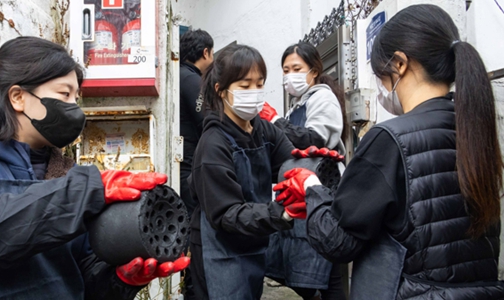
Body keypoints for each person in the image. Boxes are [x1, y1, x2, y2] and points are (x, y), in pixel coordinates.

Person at [0, 36, 189, 300]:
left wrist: (121, 280)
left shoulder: (67, 175)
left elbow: (81, 283)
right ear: (18, 96)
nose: (74, 108)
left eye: (75, 98)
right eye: (64, 94)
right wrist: (84, 192)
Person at [276, 4, 504, 299]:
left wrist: (312, 187)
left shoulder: (389, 140)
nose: (381, 89)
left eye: (380, 78)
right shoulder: (475, 129)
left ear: (399, 64)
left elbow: (337, 241)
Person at [187, 43, 312, 300]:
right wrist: (282, 213)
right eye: (244, 86)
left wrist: (310, 170)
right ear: (221, 91)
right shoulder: (212, 145)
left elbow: (289, 163)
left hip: (253, 243)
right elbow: (226, 213)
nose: (254, 93)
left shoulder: (264, 131)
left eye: (259, 84)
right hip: (218, 253)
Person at [260, 42, 347, 299]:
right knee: (309, 270)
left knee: (325, 271)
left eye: (296, 68)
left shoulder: (322, 98)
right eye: (285, 70)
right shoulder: (298, 105)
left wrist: (276, 121)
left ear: (314, 70)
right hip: (302, 195)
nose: (290, 75)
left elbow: (316, 139)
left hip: (321, 191)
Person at [179, 29, 214, 217]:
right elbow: (205, 121)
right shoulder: (192, 79)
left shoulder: (177, 76)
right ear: (206, 53)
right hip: (189, 163)